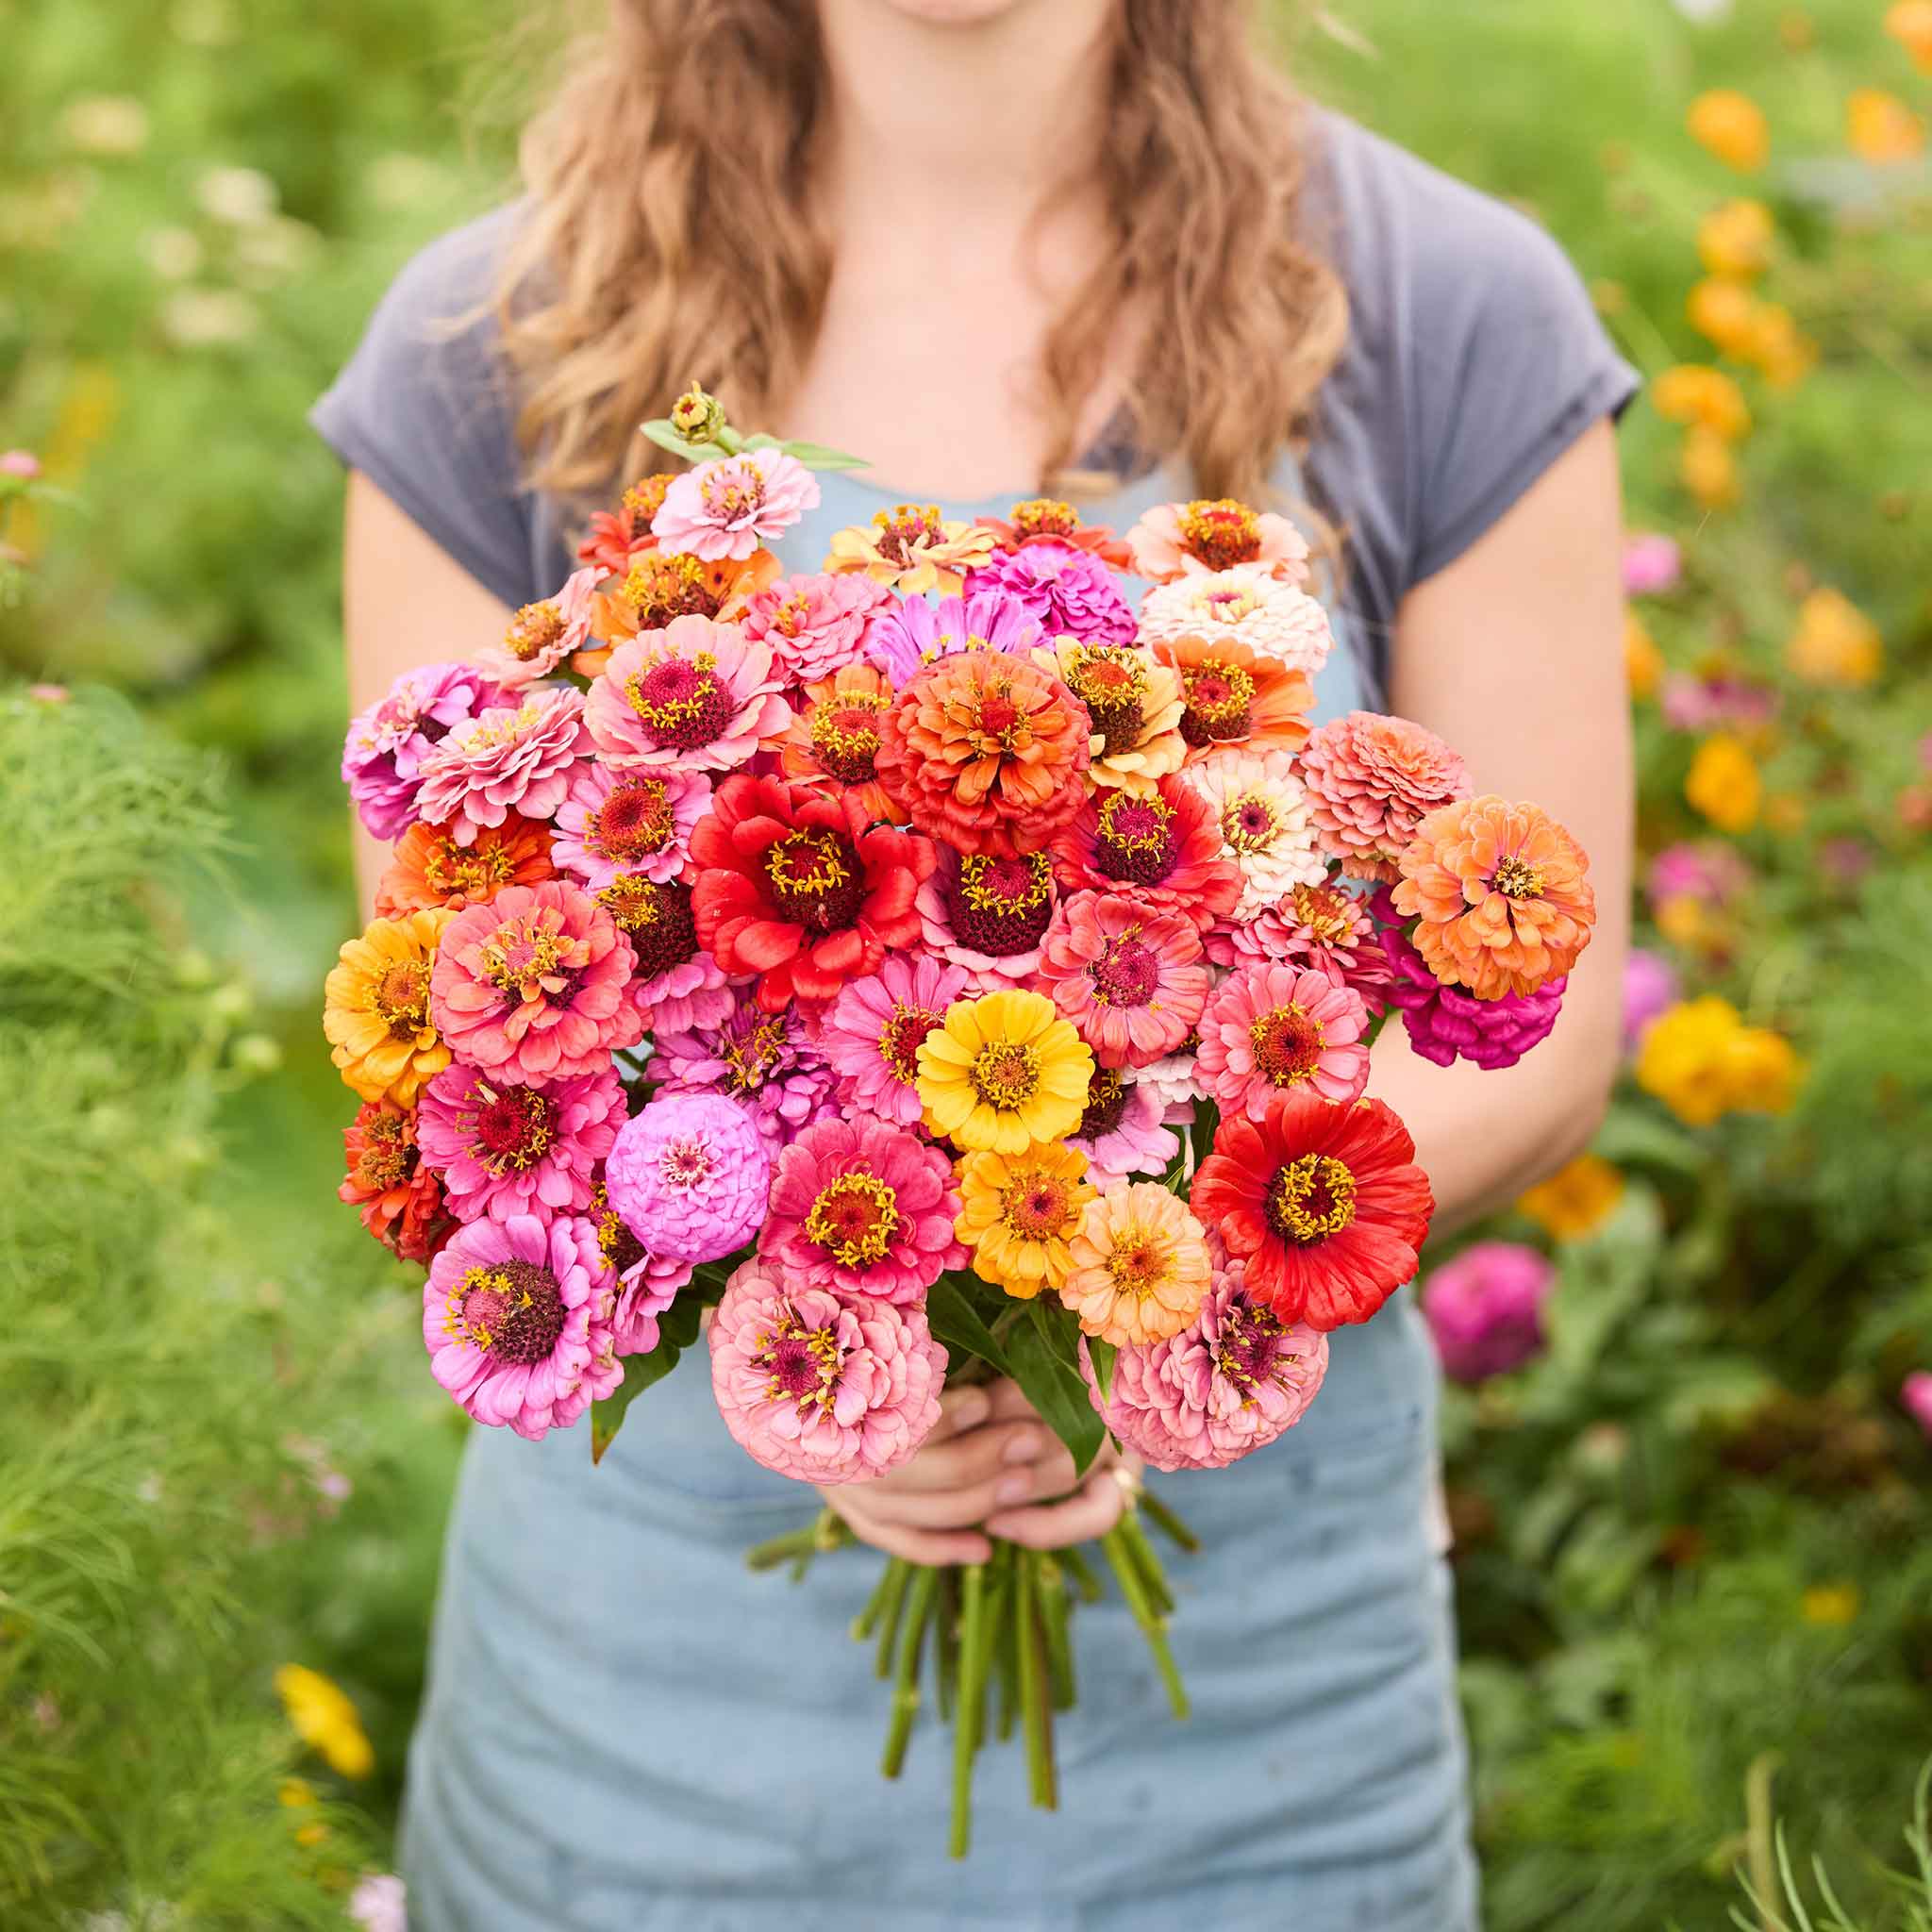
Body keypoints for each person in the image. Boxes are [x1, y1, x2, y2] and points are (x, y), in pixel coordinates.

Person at [314, 1, 1634, 1924]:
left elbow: (1540, 1013)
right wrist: (838, 1367)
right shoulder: (493, 342)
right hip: (646, 1756)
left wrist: (1126, 1292)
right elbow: (467, 1035)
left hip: (1259, 1759)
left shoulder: (1445, 309)